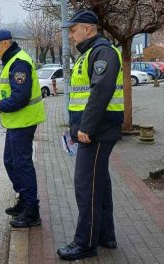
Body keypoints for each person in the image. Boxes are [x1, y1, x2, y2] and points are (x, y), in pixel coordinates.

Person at [57, 9, 124, 261]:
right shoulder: (91, 53)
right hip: (95, 131)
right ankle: (106, 236)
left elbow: (100, 92)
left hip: (95, 133)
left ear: (88, 29)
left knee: (86, 187)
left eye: (73, 30)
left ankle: (85, 243)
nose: (71, 35)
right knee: (100, 185)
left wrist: (85, 128)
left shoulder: (102, 52)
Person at [0, 29, 45, 228]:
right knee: (11, 162)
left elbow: (21, 97)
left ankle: (31, 210)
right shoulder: (12, 60)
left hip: (24, 122)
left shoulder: (19, 62)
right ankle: (23, 201)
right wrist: (1, 100)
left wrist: (1, 106)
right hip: (16, 123)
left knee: (22, 164)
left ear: (5, 43)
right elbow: (13, 92)